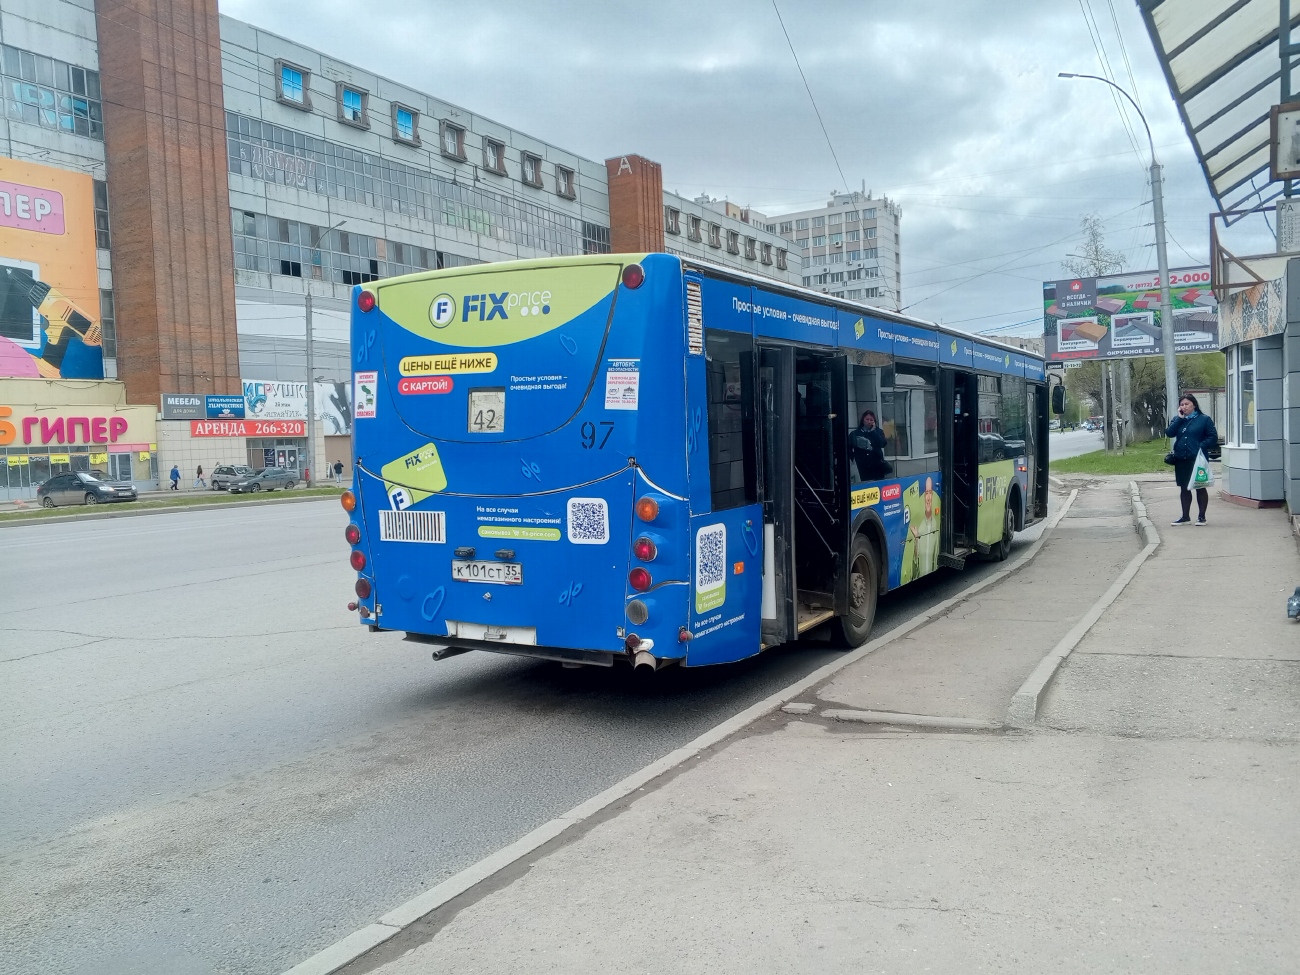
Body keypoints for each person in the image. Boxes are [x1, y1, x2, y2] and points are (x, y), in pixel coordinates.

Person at [1166, 392, 1218, 526]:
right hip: (1181, 458)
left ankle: (1201, 517)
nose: (1184, 407)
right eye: (1181, 404)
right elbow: (1170, 433)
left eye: (1186, 404)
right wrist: (1179, 418)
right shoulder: (1178, 419)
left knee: (1200, 486)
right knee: (1184, 488)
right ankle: (1185, 516)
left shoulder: (1204, 419)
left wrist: (1201, 446)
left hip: (1197, 458)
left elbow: (1212, 437)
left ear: (1194, 405)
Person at [848, 410, 890, 481]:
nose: (869, 421)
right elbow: (848, 448)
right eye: (867, 419)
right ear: (863, 420)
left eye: (871, 420)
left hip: (877, 466)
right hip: (862, 466)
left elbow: (882, 444)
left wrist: (873, 432)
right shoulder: (855, 433)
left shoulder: (878, 432)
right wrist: (853, 458)